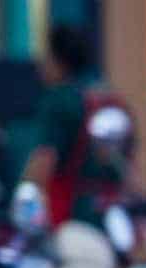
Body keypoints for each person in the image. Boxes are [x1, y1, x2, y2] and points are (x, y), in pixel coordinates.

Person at [23, 24, 125, 227]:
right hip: (113, 216)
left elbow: (44, 160)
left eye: (46, 56)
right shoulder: (110, 100)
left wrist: (25, 207)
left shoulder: (60, 100)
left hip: (70, 217)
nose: (41, 65)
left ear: (59, 60)